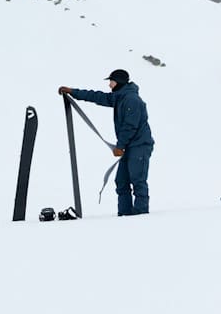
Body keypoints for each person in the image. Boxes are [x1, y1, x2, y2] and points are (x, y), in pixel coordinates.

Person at [59, 69, 154, 216]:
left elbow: (130, 126)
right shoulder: (120, 97)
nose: (109, 85)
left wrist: (120, 146)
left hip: (139, 146)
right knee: (121, 181)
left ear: (119, 82)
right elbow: (97, 97)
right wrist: (74, 92)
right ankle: (125, 215)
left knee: (138, 180)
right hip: (128, 146)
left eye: (112, 81)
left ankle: (141, 215)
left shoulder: (131, 100)